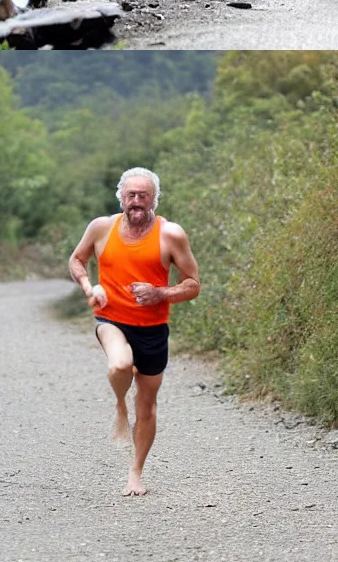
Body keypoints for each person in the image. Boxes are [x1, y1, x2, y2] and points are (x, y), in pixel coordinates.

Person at [68, 167, 202, 496]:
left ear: (155, 198)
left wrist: (161, 293)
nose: (137, 201)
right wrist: (89, 287)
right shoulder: (101, 228)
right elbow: (76, 260)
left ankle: (136, 472)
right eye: (131, 195)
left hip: (154, 329)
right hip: (111, 318)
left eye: (143, 195)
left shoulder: (171, 234)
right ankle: (118, 403)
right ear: (121, 198)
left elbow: (193, 284)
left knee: (148, 406)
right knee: (119, 364)